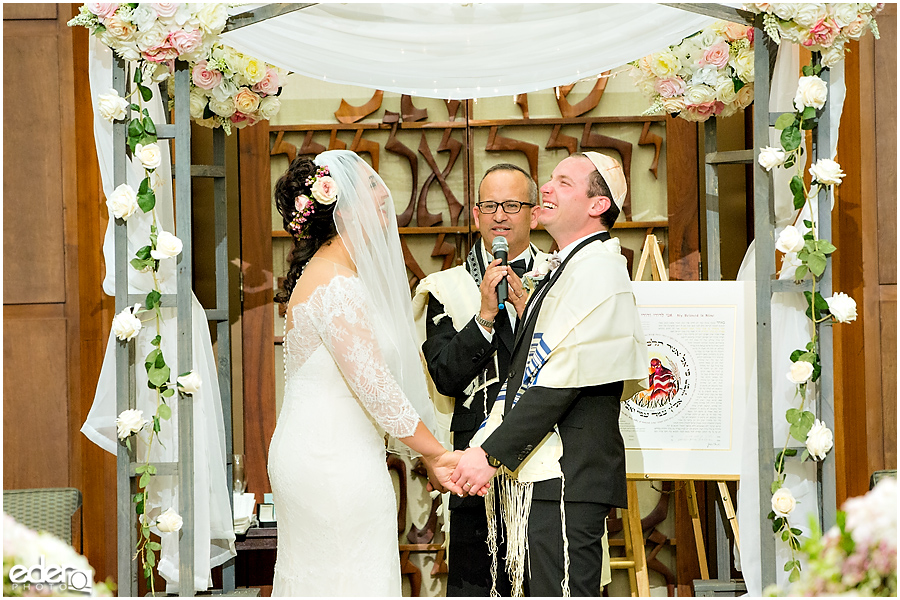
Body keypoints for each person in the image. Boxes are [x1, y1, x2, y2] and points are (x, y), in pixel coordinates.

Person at [451, 152, 650, 596]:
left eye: (564, 182)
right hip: (554, 472)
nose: (547, 188)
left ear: (598, 205)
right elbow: (541, 363)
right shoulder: (573, 265)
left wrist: (488, 455)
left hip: (570, 469)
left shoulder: (599, 268)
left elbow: (561, 381)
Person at [267, 150, 465, 596]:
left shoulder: (338, 276)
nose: (383, 194)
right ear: (338, 206)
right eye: (370, 189)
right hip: (331, 460)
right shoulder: (336, 284)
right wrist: (437, 454)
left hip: (332, 450)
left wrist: (426, 452)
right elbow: (375, 387)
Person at [412, 164, 546, 596]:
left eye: (512, 205)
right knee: (476, 584)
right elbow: (445, 375)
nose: (499, 217)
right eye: (489, 206)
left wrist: (530, 317)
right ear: (475, 214)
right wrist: (485, 316)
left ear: (534, 213)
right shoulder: (445, 287)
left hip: (546, 456)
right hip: (473, 467)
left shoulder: (559, 274)